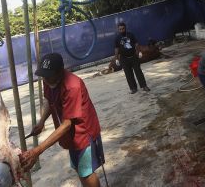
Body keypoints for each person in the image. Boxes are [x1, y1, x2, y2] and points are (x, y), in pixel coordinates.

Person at [20, 53, 104, 187]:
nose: (45, 79)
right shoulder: (48, 79)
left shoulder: (72, 86)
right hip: (70, 135)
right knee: (79, 168)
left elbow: (66, 124)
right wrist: (41, 122)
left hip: (84, 132)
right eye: (43, 75)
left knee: (86, 171)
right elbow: (49, 100)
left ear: (60, 72)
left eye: (48, 76)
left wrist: (37, 150)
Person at [114, 22, 150, 94]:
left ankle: (144, 86)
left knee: (138, 72)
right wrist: (116, 59)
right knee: (128, 74)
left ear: (125, 28)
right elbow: (116, 49)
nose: (122, 30)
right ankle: (133, 88)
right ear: (118, 30)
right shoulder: (117, 38)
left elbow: (136, 43)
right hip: (124, 59)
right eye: (120, 29)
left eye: (123, 29)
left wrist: (139, 52)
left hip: (133, 56)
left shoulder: (130, 35)